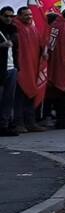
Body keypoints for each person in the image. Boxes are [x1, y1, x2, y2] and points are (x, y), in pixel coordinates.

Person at [0, 7, 17, 137]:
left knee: (9, 99)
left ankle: (5, 124)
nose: (9, 18)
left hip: (11, 68)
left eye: (12, 16)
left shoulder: (13, 30)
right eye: (6, 16)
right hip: (1, 69)